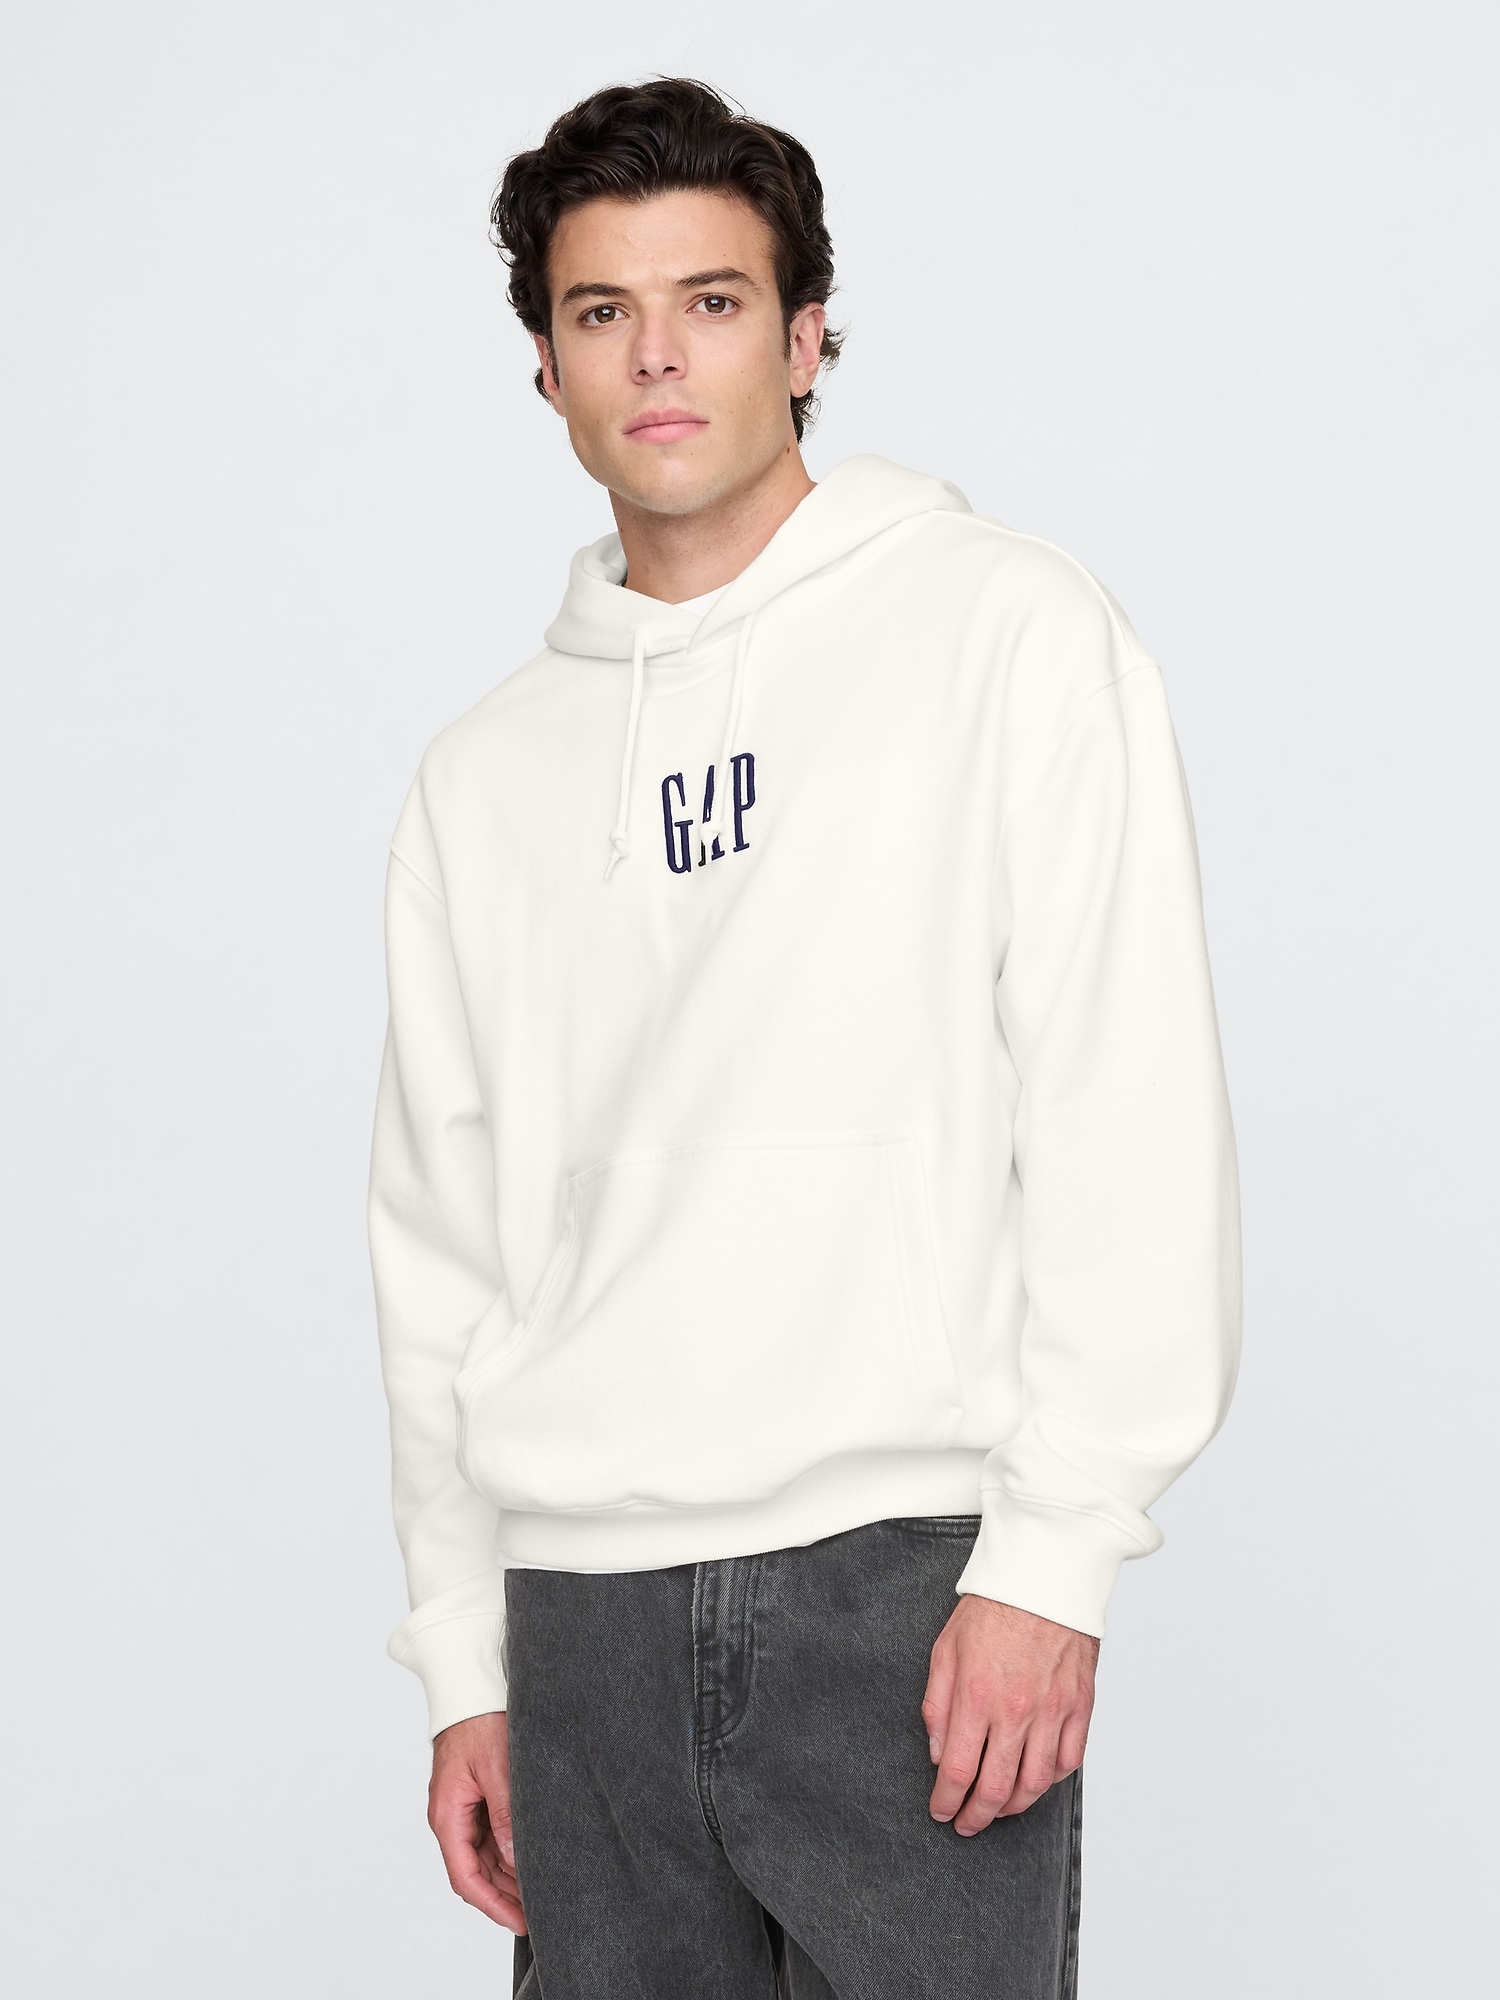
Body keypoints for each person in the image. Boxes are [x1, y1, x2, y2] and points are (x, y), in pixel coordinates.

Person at [369, 76, 1240, 2000]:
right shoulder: (483, 776)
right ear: (545, 369)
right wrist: (463, 1660)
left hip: (900, 1581)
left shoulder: (1005, 633)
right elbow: (438, 1249)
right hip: (579, 1613)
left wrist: (1054, 1556)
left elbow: (1126, 1101)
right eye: (602, 312)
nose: (658, 357)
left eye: (714, 301)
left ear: (808, 336)